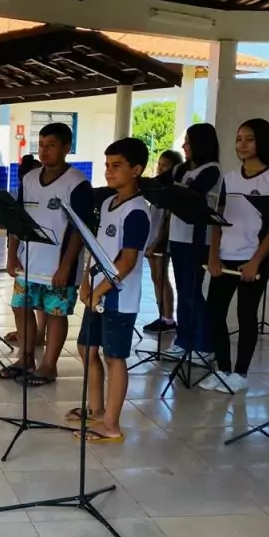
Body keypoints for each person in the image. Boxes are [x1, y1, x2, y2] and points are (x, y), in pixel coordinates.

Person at [0, 123, 93, 386]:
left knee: (55, 313)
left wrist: (66, 267)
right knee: (21, 306)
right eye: (41, 144)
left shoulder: (77, 183)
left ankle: (49, 365)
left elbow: (79, 230)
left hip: (59, 266)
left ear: (66, 148)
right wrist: (12, 254)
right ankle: (25, 358)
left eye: (51, 145)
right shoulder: (28, 179)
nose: (44, 151)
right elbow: (17, 221)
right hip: (28, 263)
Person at [70, 137, 151, 443]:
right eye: (106, 165)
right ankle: (96, 409)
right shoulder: (107, 203)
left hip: (119, 296)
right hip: (98, 290)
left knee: (114, 357)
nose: (109, 171)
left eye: (117, 166)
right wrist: (86, 282)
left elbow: (127, 261)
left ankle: (112, 426)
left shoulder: (137, 212)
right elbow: (98, 247)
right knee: (86, 348)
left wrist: (100, 289)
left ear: (136, 170)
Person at [203, 119, 269, 394]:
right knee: (214, 313)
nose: (242, 144)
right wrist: (214, 256)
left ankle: (240, 373)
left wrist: (256, 261)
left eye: (249, 139)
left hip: (254, 259)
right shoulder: (229, 177)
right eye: (239, 139)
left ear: (262, 141)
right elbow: (217, 219)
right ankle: (224, 370)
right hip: (224, 257)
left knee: (246, 315)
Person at [164, 123, 222, 362]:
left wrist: (171, 191)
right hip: (177, 238)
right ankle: (183, 339)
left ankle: (204, 344)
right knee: (184, 290)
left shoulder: (212, 170)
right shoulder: (181, 169)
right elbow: (162, 186)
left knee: (192, 292)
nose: (183, 146)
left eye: (188, 141)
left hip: (198, 240)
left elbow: (190, 195)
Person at [4, 153, 47, 346]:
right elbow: (14, 226)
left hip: (47, 258)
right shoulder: (24, 192)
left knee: (45, 303)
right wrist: (11, 255)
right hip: (25, 254)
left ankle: (39, 334)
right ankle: (28, 340)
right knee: (21, 303)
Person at [142, 149, 182, 334]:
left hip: (160, 241)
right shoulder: (156, 187)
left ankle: (168, 317)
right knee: (155, 277)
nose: (160, 168)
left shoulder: (172, 189)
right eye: (159, 164)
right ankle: (161, 315)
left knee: (161, 277)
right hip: (150, 238)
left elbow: (167, 221)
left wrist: (156, 242)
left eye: (165, 165)